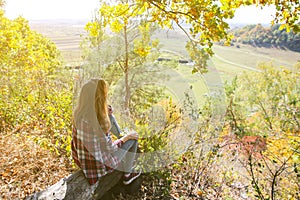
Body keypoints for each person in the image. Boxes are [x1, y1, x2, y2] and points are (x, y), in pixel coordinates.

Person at [71, 78, 141, 185]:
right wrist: (126, 138)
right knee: (133, 140)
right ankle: (127, 175)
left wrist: (105, 112)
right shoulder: (98, 122)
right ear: (99, 99)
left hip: (82, 161)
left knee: (110, 118)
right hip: (100, 166)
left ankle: (121, 135)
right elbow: (111, 148)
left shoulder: (79, 114)